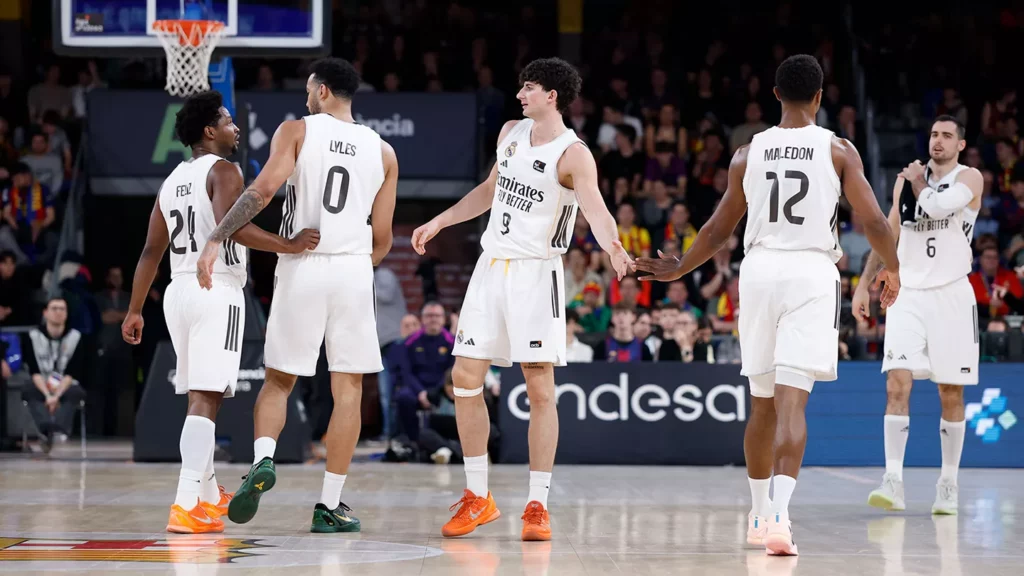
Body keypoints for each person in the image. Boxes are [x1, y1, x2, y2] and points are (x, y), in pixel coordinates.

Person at [636, 54, 900, 556]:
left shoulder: (746, 153)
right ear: (820, 98)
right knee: (792, 401)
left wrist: (680, 268)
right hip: (811, 272)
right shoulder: (838, 149)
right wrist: (894, 268)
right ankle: (780, 515)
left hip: (757, 273)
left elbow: (717, 230)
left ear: (775, 96)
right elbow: (876, 225)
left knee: (760, 401)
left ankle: (759, 515)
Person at [411, 57, 632, 542]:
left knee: (539, 389)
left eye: (528, 88)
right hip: (491, 268)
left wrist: (615, 249)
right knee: (465, 378)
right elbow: (489, 191)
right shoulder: (510, 132)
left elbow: (595, 209)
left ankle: (537, 504)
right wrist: (440, 221)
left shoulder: (574, 155)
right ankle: (478, 497)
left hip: (537, 275)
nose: (519, 95)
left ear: (552, 96)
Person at [194, 58, 398, 533]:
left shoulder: (297, 130)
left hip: (303, 263)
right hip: (352, 269)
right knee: (347, 388)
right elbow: (384, 238)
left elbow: (262, 192)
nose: (305, 97)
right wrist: (351, 267)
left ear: (323, 91)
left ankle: (262, 461)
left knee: (280, 380)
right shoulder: (384, 151)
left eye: (309, 90)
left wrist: (217, 237)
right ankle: (329, 505)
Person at [120, 90, 319, 534]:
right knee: (206, 398)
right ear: (209, 131)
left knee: (199, 396)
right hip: (216, 287)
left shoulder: (171, 180)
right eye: (229, 121)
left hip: (177, 292)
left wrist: (135, 310)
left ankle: (207, 495)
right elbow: (236, 227)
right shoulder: (225, 169)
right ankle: (186, 500)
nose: (236, 128)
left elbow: (151, 251)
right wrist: (287, 245)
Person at [854, 115, 984, 516]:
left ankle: (948, 483)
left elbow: (941, 203)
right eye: (933, 134)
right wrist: (864, 282)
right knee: (897, 385)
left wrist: (916, 183)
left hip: (952, 295)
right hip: (908, 294)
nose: (938, 141)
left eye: (947, 136)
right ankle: (893, 480)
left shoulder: (970, 178)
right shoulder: (906, 179)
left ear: (960, 144)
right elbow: (887, 233)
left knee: (951, 392)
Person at [21, 297, 87, 453]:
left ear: (67, 313)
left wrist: (56, 396)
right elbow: (34, 371)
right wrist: (48, 395)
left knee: (76, 392)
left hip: (65, 384)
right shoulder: (32, 336)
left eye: (62, 309)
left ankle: (58, 428)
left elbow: (72, 372)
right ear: (46, 313)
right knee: (28, 390)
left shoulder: (76, 337)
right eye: (54, 308)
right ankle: (46, 429)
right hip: (41, 383)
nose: (58, 312)